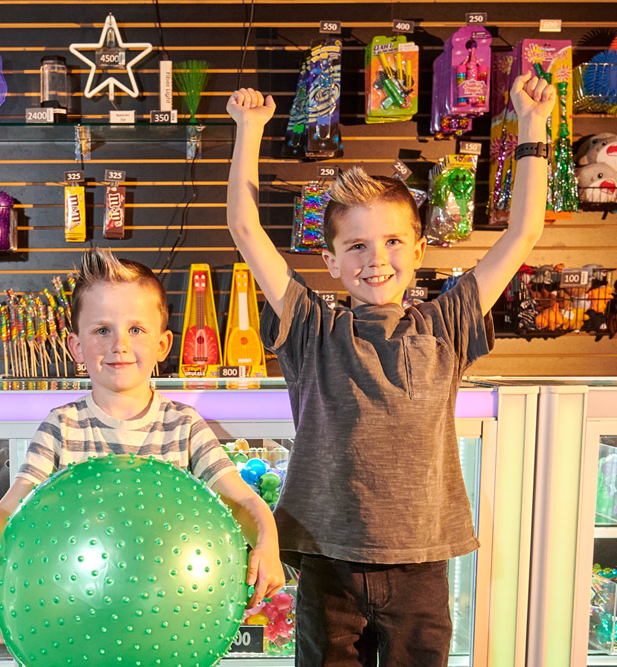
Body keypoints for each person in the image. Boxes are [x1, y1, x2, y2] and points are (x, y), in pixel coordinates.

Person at [224, 72, 555, 667]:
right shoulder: (311, 327)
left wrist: (532, 129)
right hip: (329, 563)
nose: (377, 259)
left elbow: (525, 231)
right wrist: (249, 131)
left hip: (422, 566)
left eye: (393, 242)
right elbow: (246, 230)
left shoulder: (445, 322)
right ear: (329, 260)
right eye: (356, 246)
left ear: (419, 249)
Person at [0, 248, 287, 608]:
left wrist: (268, 541)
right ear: (77, 347)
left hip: (170, 607)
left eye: (136, 329)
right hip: (77, 605)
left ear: (162, 344)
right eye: (102, 330)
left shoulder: (184, 426)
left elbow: (241, 501)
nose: (120, 345)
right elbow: (10, 509)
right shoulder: (61, 427)